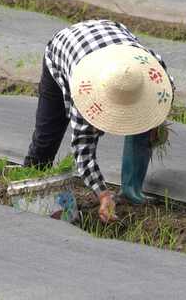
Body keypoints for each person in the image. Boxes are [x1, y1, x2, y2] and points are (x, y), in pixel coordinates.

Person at [24, 19, 174, 223]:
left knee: (145, 125)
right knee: (47, 137)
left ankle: (131, 191)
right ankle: (28, 192)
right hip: (64, 48)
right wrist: (103, 194)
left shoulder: (152, 71)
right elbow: (83, 154)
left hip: (111, 33)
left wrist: (156, 122)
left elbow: (166, 90)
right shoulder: (86, 100)